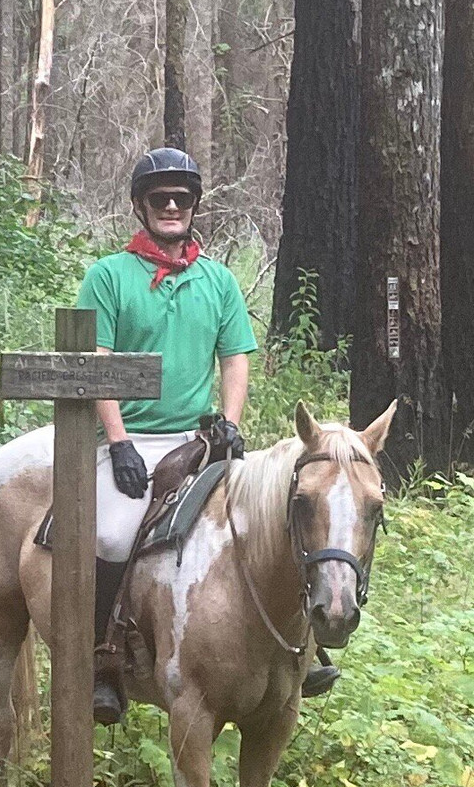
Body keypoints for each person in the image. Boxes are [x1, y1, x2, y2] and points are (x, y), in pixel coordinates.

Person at [77, 147, 338, 725]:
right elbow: (94, 360)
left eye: (181, 198)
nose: (171, 207)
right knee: (117, 536)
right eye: (159, 198)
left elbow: (236, 355)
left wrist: (231, 422)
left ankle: (303, 649)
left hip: (198, 439)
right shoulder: (108, 276)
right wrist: (117, 440)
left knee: (272, 522)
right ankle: (106, 661)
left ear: (194, 206)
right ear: (140, 206)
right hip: (135, 437)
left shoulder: (217, 279)